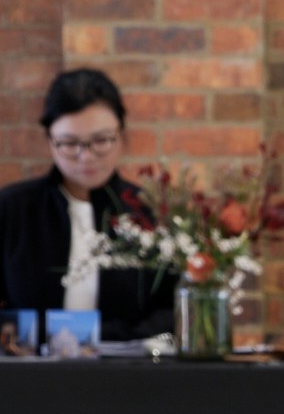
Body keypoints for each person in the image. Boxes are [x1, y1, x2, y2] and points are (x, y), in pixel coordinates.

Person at [0, 67, 173, 342]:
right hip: (29, 378)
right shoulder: (12, 209)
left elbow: (172, 309)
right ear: (50, 141)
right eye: (69, 143)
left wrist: (108, 339)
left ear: (122, 135)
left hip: (131, 375)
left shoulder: (149, 211)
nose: (86, 157)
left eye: (101, 141)